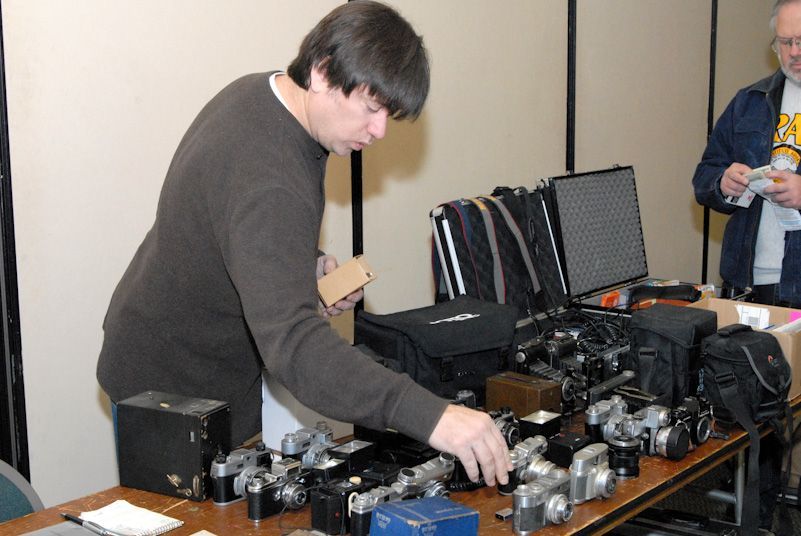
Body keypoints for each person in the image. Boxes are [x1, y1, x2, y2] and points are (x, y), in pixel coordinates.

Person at [96, 0, 510, 487]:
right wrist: (431, 415)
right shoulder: (270, 177)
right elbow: (294, 344)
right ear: (322, 71)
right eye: (371, 109)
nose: (378, 131)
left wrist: (301, 266)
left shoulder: (262, 95)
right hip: (171, 389)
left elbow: (234, 224)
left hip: (203, 366)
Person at [693, 1, 801, 530]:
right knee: (754, 412)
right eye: (786, 42)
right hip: (750, 285)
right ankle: (759, 516)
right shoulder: (750, 102)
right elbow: (704, 178)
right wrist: (726, 184)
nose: (795, 52)